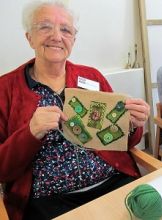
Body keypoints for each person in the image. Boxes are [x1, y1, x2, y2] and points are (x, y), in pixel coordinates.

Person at [0, 1, 150, 220]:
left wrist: (131, 126)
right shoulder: (5, 89)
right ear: (29, 37)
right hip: (49, 200)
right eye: (44, 27)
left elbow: (123, 142)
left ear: (73, 40)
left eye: (65, 30)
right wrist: (30, 133)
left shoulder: (92, 77)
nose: (56, 36)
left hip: (111, 181)